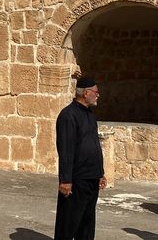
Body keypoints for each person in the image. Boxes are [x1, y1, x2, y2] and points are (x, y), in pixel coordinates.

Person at [54, 77, 106, 240]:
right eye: (96, 92)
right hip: (76, 179)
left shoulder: (90, 115)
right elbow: (66, 149)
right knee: (69, 223)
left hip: (91, 177)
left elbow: (94, 145)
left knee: (87, 224)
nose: (98, 96)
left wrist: (100, 172)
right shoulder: (68, 115)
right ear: (86, 93)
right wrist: (65, 180)